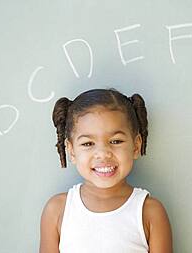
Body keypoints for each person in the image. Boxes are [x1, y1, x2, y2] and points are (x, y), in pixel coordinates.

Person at [39, 88, 173, 253]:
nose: (103, 154)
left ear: (136, 146)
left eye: (116, 141)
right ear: (71, 151)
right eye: (88, 143)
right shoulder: (57, 210)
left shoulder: (150, 212)